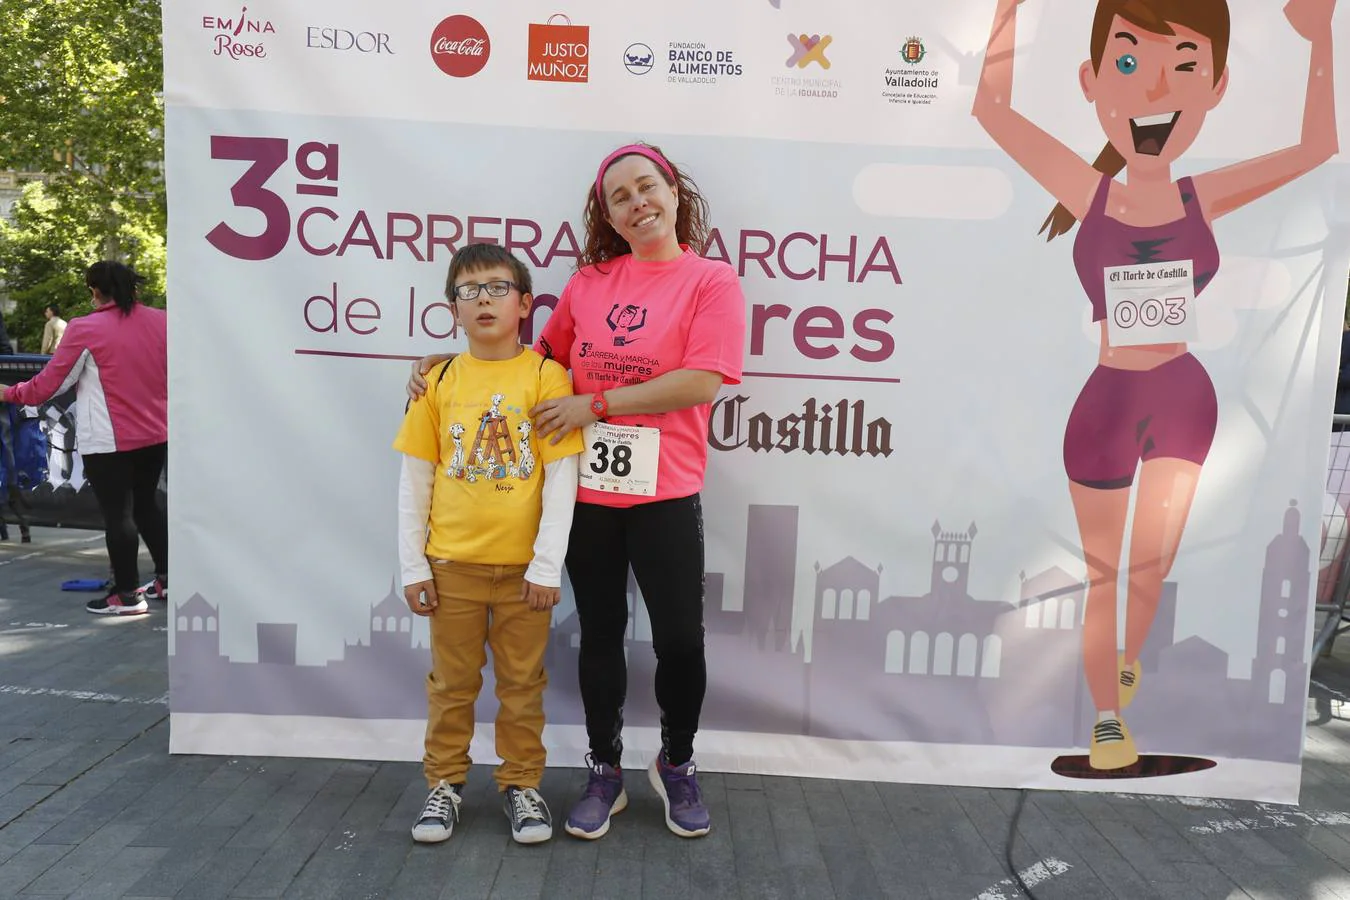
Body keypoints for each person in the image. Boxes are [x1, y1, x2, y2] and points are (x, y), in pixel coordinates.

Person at [973, 0, 1337, 769]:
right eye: (1130, 63)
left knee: (1149, 567)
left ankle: (1123, 660)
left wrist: (1321, 35)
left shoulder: (1204, 196)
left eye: (1183, 68)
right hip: (1105, 406)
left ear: (1216, 86)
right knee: (1107, 571)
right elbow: (992, 108)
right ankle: (1109, 716)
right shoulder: (1087, 190)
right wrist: (1007, 10)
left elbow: (1318, 145)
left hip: (1180, 400)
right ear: (1092, 78)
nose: (1151, 90)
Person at [408, 142, 747, 839]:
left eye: (646, 187)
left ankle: (677, 763)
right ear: (610, 216)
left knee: (681, 640)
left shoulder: (711, 281)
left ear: (673, 192)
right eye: (620, 197)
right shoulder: (591, 283)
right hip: (589, 496)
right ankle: (604, 770)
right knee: (600, 636)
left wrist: (598, 405)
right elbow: (539, 361)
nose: (638, 203)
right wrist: (455, 362)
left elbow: (701, 382)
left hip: (666, 493)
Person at [395, 243, 584, 846]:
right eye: (468, 290)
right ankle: (444, 784)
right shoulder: (440, 379)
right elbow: (416, 480)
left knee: (522, 686)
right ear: (452, 308)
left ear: (526, 304)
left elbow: (561, 480)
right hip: (451, 569)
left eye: (498, 288)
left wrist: (547, 566)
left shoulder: (547, 377)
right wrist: (413, 566)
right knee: (451, 685)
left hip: (524, 573)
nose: (483, 299)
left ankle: (521, 785)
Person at [3, 261, 168, 615]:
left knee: (118, 514)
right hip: (156, 433)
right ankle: (168, 580)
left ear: (94, 290)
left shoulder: (86, 327)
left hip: (109, 439)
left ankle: (126, 595)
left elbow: (47, 386)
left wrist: (8, 393)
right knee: (147, 506)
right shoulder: (162, 320)